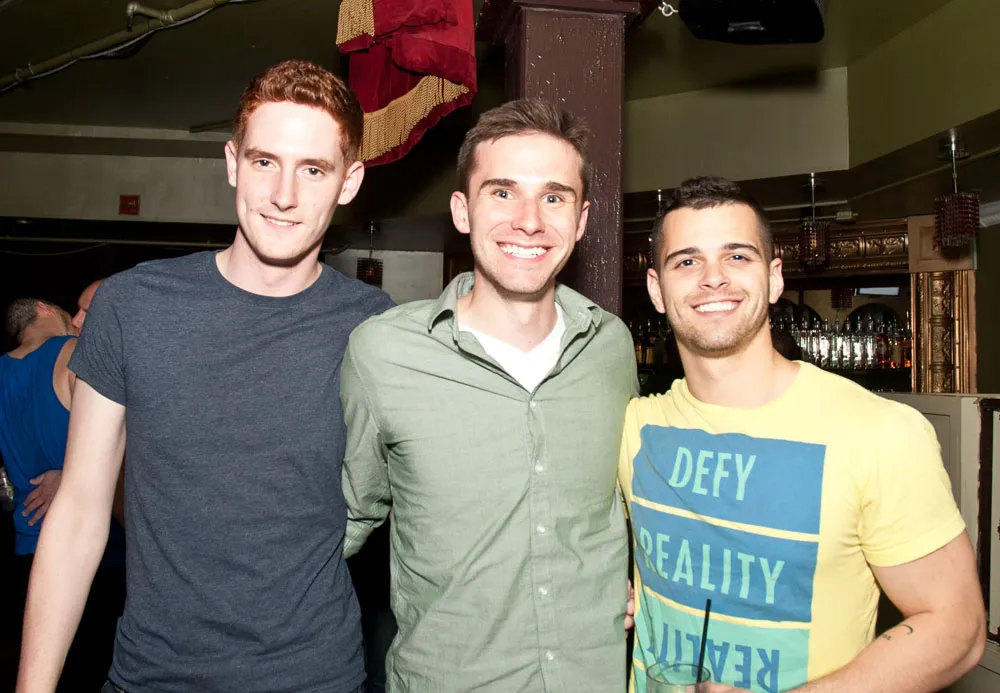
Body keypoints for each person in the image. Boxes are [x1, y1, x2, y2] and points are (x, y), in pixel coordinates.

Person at [17, 59, 393, 693]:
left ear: (348, 182)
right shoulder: (132, 306)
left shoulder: (376, 328)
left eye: (313, 169)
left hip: (315, 677)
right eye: (265, 161)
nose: (284, 194)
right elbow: (79, 510)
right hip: (151, 676)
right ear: (232, 163)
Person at [618, 176, 986, 692]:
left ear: (774, 279)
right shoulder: (633, 429)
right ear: (657, 290)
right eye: (687, 261)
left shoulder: (879, 433)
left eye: (737, 256)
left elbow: (957, 628)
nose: (713, 278)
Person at [340, 98, 638, 692]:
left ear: (581, 220)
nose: (529, 220)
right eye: (502, 192)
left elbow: (624, 507)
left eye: (554, 197)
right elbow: (340, 524)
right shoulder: (383, 353)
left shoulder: (611, 346)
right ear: (462, 210)